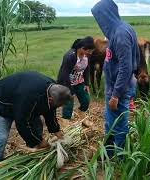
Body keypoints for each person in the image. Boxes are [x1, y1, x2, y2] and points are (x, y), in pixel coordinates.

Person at [92, 0, 140, 156]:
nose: (99, 22)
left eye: (99, 17)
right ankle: (109, 152)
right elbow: (136, 59)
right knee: (112, 121)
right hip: (118, 85)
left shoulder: (120, 35)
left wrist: (115, 95)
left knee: (118, 124)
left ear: (106, 15)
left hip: (118, 88)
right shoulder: (123, 29)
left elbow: (126, 68)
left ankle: (119, 158)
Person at [0, 71, 72, 162]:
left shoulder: (54, 89)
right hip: (2, 101)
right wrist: (39, 141)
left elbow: (50, 110)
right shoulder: (31, 96)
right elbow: (21, 122)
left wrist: (56, 130)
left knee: (37, 127)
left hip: (21, 100)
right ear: (51, 99)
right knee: (1, 137)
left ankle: (35, 151)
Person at [57, 37, 96, 120]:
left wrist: (87, 84)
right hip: (66, 82)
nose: (90, 53)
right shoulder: (70, 56)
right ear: (82, 48)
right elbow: (64, 75)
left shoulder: (86, 56)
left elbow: (87, 69)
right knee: (69, 104)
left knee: (86, 100)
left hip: (79, 81)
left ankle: (81, 115)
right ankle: (66, 121)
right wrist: (70, 90)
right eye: (89, 51)